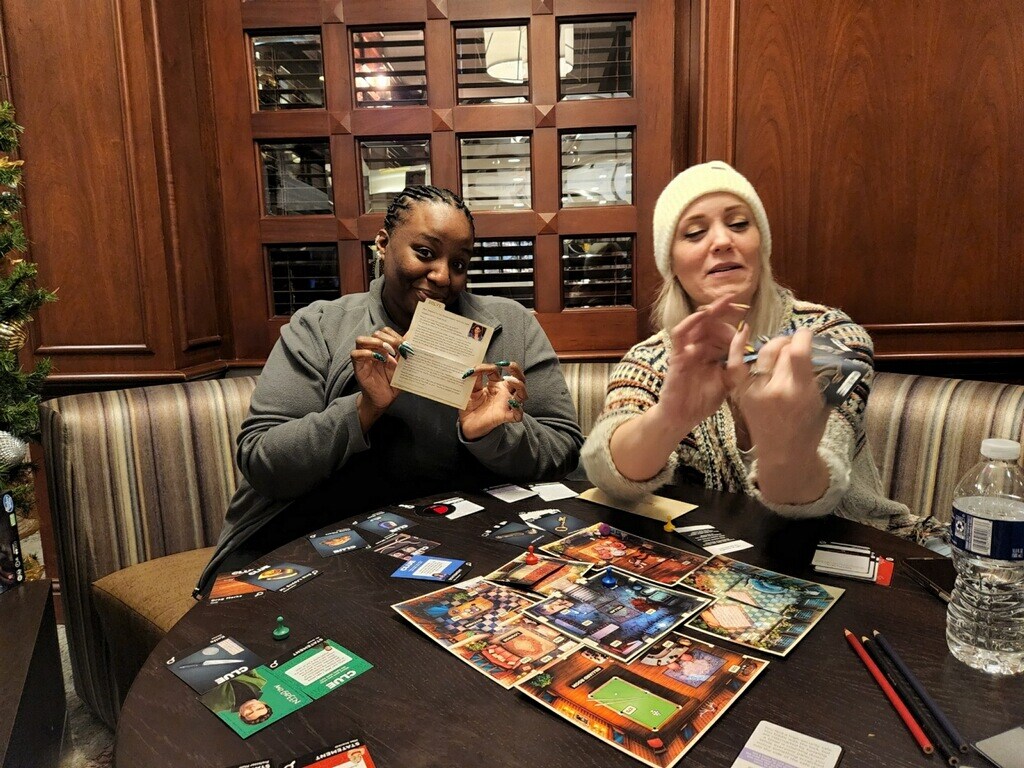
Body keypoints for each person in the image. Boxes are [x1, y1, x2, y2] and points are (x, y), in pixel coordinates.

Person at [197, 185, 583, 594]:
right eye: (425, 252)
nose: (442, 276)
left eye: (459, 263)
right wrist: (364, 408)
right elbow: (262, 462)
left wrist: (489, 433)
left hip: (469, 545)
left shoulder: (512, 327)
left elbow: (563, 450)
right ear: (382, 244)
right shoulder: (321, 327)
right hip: (320, 544)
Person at [581, 161, 935, 537]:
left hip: (851, 543)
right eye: (695, 232)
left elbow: (819, 486)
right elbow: (606, 472)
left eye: (738, 224)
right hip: (717, 565)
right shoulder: (648, 361)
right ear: (671, 263)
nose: (721, 241)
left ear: (761, 245)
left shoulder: (836, 340)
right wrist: (671, 416)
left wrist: (785, 443)